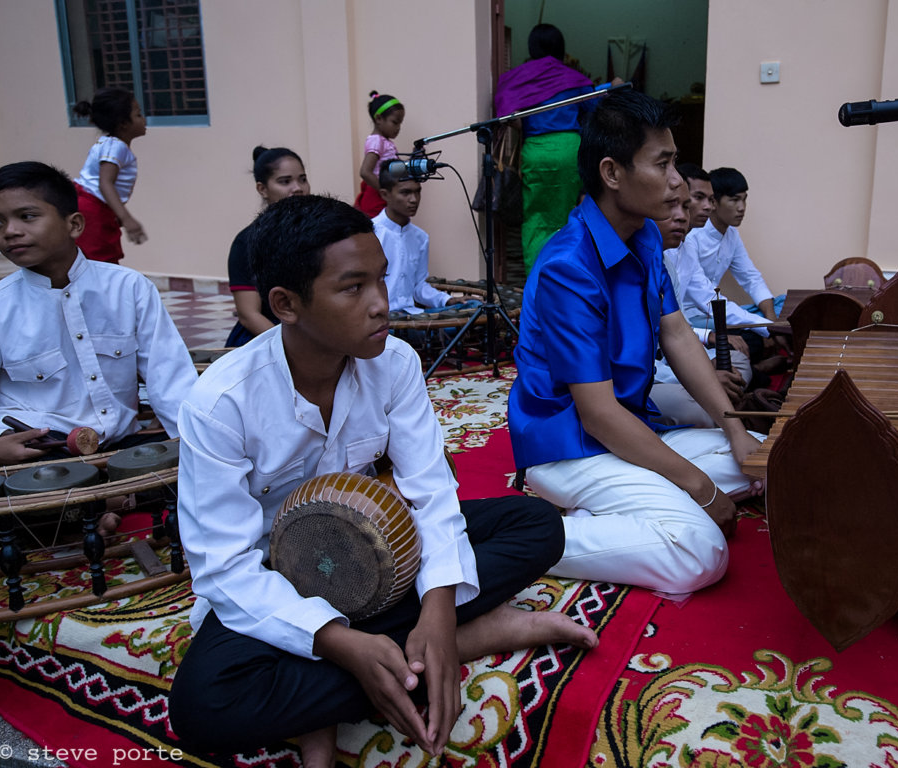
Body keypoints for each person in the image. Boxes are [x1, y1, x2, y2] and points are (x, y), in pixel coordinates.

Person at [168, 194, 597, 767]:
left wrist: (439, 608)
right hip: (279, 575)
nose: (381, 305)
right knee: (202, 709)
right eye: (353, 288)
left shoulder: (394, 363)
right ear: (286, 304)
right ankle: (469, 639)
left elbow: (431, 490)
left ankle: (393, 658)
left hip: (382, 553)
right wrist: (339, 642)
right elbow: (224, 566)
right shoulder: (220, 403)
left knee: (536, 523)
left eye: (382, 280)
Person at [508, 90, 763, 597]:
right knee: (700, 552)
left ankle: (631, 503)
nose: (678, 183)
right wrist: (699, 488)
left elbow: (677, 334)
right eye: (663, 164)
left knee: (759, 461)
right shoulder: (567, 267)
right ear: (611, 173)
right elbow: (597, 415)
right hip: (569, 447)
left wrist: (733, 428)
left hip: (629, 426)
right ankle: (529, 532)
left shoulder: (643, 236)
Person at [0, 162, 196, 471]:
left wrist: (199, 446)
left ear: (74, 225)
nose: (10, 231)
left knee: (177, 474)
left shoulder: (129, 289)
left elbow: (173, 381)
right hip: (39, 455)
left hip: (122, 446)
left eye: (27, 217)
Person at [493, 24, 611, 274]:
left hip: (536, 152)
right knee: (572, 213)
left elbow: (506, 111)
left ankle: (537, 277)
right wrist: (610, 87)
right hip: (570, 150)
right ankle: (570, 274)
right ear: (561, 47)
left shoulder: (520, 78)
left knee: (535, 218)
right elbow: (593, 106)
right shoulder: (572, 77)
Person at [652, 182, 751, 427]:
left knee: (738, 361)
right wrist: (704, 375)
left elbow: (678, 329)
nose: (682, 217)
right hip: (638, 379)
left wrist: (769, 324)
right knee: (703, 406)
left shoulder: (668, 260)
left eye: (686, 207)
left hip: (673, 357)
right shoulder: (579, 263)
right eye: (671, 206)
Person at [226, 146, 310, 347]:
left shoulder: (320, 234)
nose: (297, 188)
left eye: (302, 179)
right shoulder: (246, 242)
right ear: (262, 189)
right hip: (266, 340)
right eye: (285, 181)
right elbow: (249, 315)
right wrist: (297, 346)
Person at [683, 166, 782, 323]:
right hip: (693, 315)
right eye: (734, 200)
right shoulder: (690, 236)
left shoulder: (731, 235)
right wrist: (767, 327)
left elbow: (751, 278)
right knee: (750, 328)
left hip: (716, 310)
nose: (742, 208)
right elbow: (705, 296)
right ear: (715, 202)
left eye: (744, 199)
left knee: (782, 304)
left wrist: (772, 320)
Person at [72, 88, 148, 263]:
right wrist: (127, 219)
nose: (143, 119)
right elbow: (105, 183)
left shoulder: (112, 144)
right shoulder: (116, 147)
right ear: (123, 124)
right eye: (138, 115)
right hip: (92, 209)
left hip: (96, 207)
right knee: (100, 260)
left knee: (99, 258)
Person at [372, 160, 455, 315]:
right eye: (405, 193)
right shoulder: (371, 233)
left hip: (412, 316)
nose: (414, 199)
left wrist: (446, 300)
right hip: (381, 319)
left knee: (472, 308)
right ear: (385, 194)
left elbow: (418, 286)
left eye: (417, 191)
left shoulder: (420, 238)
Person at [354, 91, 404, 218]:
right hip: (376, 196)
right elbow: (365, 172)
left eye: (400, 123)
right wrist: (386, 192)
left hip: (383, 194)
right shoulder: (376, 141)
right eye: (395, 122)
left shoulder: (385, 142)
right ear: (378, 119)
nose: (398, 128)